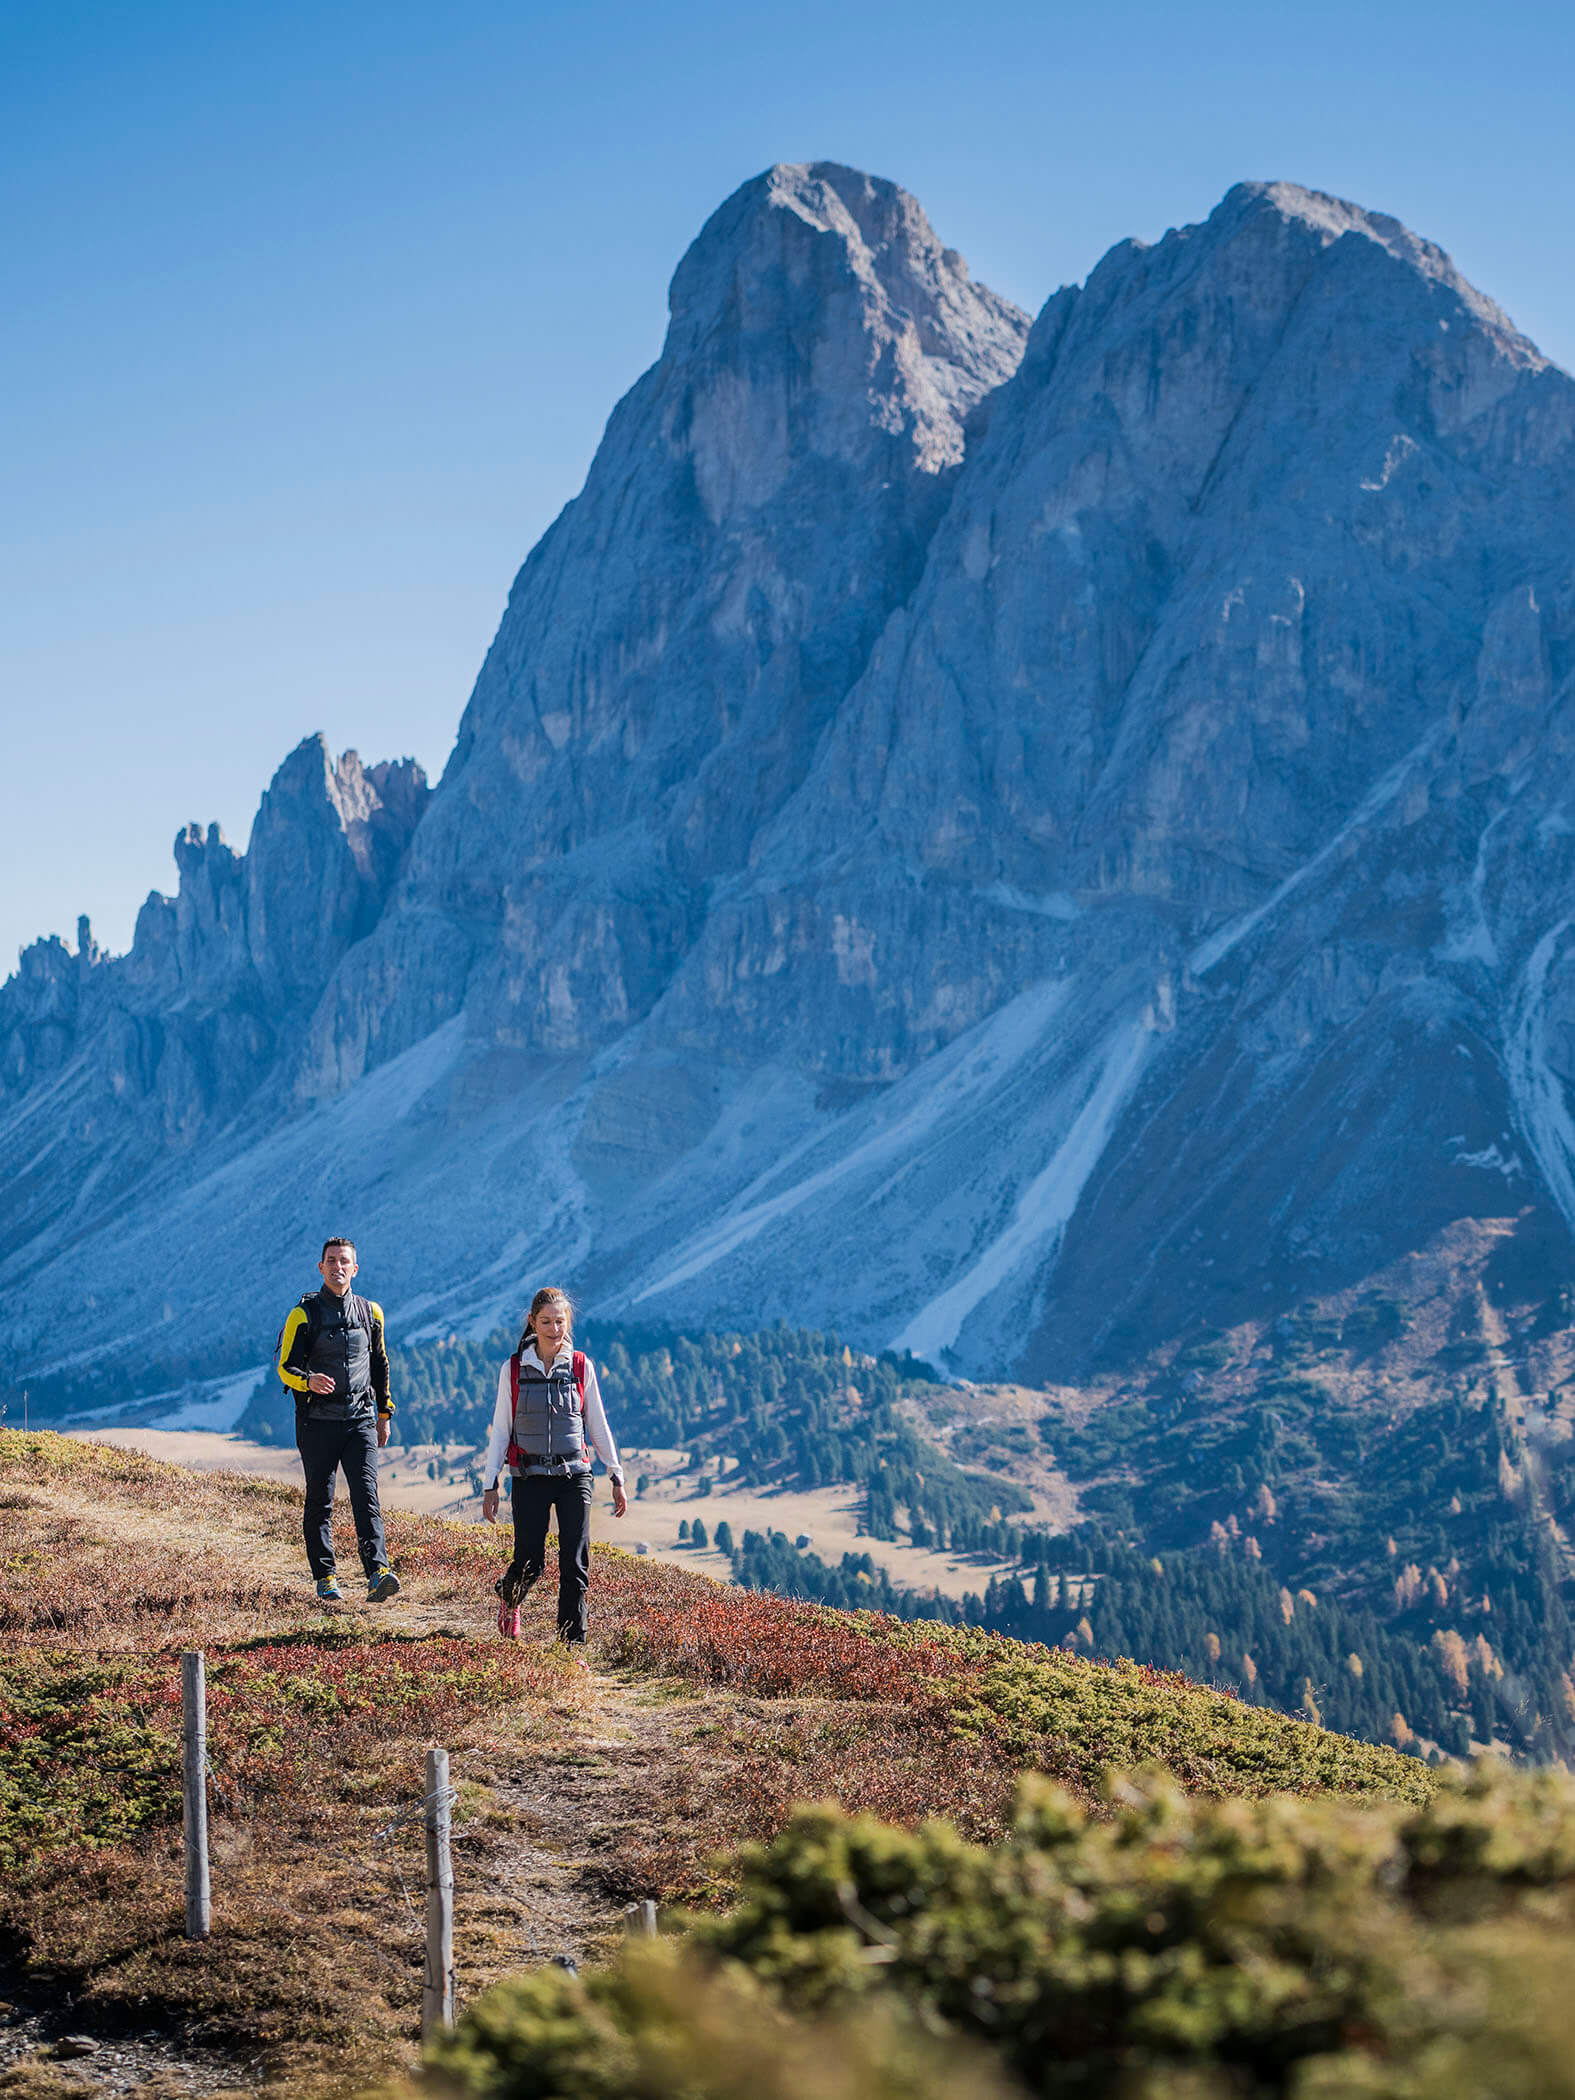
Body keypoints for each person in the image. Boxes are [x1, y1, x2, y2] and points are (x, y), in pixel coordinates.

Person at [480, 1286, 626, 1655]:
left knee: (575, 1564)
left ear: (568, 1322)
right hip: (528, 1477)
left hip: (575, 1475)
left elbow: (597, 1423)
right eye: (545, 1321)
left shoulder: (580, 1366)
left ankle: (571, 1647)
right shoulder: (513, 1369)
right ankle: (509, 1598)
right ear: (532, 1322)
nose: (553, 1328)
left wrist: (615, 1473)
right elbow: (501, 1428)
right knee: (530, 1561)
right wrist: (490, 1484)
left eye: (560, 1321)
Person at [276, 1236, 402, 1604]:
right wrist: (308, 1380)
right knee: (321, 1499)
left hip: (360, 1419)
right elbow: (286, 1367)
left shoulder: (370, 1313)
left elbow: (380, 1364)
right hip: (317, 1422)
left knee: (367, 1495)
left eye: (344, 1261)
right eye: (331, 1261)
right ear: (321, 1267)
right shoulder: (304, 1314)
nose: (338, 1267)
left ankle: (378, 1572)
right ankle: (326, 1577)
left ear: (355, 1268)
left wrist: (384, 1413)